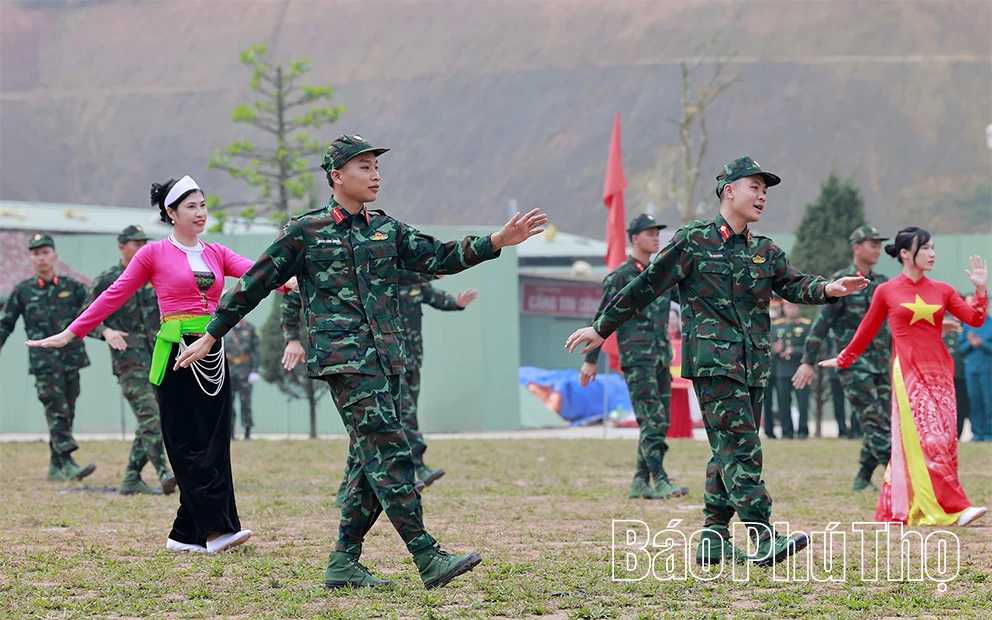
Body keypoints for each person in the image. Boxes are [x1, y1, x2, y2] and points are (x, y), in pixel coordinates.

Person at [175, 134, 546, 589]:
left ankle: (343, 562)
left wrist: (498, 240)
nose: (375, 175)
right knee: (392, 451)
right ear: (337, 176)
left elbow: (439, 256)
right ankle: (427, 556)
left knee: (365, 462)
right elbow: (253, 283)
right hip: (345, 359)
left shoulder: (386, 229)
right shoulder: (305, 231)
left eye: (376, 167)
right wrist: (213, 333)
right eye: (364, 167)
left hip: (386, 357)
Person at [565, 156, 869, 567]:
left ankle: (713, 537)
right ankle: (762, 535)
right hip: (714, 364)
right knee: (742, 449)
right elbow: (645, 286)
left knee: (726, 448)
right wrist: (601, 328)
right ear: (729, 190)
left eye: (765, 190)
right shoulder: (693, 240)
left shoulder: (764, 250)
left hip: (754, 365)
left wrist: (830, 287)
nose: (762, 196)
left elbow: (795, 283)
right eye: (754, 187)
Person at [26, 176, 295, 553]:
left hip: (212, 349)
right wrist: (72, 332)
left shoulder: (216, 252)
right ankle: (217, 532)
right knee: (185, 441)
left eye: (203, 205)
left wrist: (297, 280)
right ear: (171, 213)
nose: (200, 213)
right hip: (176, 353)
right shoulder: (152, 254)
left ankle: (185, 535)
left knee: (215, 441)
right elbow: (114, 295)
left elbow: (259, 275)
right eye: (191, 207)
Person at [818, 228, 987, 526]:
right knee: (930, 437)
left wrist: (981, 290)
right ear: (906, 254)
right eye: (926, 248)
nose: (933, 254)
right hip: (908, 373)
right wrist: (844, 358)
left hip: (941, 373)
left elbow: (974, 319)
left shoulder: (943, 289)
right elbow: (866, 330)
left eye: (934, 248)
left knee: (945, 439)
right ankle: (956, 507)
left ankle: (898, 505)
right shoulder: (887, 291)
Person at [579, 213, 687, 500]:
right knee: (651, 420)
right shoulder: (620, 278)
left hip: (662, 357)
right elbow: (601, 319)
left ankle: (640, 481)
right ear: (634, 238)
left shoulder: (660, 277)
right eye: (650, 233)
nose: (655, 237)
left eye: (657, 232)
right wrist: (590, 361)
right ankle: (659, 479)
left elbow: (688, 300)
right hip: (637, 359)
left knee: (660, 420)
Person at [794, 225, 891, 490]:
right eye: (872, 244)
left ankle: (862, 478)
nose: (877, 249)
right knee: (876, 422)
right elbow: (821, 325)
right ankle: (903, 480)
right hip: (854, 365)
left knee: (882, 421)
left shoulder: (882, 283)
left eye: (879, 244)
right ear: (856, 247)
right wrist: (807, 361)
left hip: (882, 363)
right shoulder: (841, 282)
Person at [83, 225, 176, 495]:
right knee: (150, 417)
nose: (142, 247)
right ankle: (164, 472)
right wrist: (106, 331)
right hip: (129, 361)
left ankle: (131, 477)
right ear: (122, 247)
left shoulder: (155, 275)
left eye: (145, 243)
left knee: (155, 418)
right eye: (136, 243)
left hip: (159, 356)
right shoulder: (108, 279)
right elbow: (85, 316)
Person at [0, 233, 97, 482]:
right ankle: (67, 462)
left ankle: (55, 466)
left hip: (71, 359)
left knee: (68, 409)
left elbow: (92, 311)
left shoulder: (72, 287)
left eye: (45, 253)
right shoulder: (23, 291)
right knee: (56, 409)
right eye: (35, 253)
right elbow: (5, 324)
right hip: (44, 363)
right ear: (30, 259)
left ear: (54, 256)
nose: (41, 258)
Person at [771, 301, 811, 439]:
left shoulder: (806, 325)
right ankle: (786, 432)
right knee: (783, 403)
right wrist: (775, 350)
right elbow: (769, 346)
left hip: (800, 370)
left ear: (798, 308)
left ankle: (802, 432)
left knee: (803, 403)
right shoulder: (776, 326)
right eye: (788, 306)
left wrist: (794, 350)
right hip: (782, 371)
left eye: (794, 307)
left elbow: (810, 347)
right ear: (783, 308)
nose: (791, 310)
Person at [960, 298, 991, 441]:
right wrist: (970, 343)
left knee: (989, 401)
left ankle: (989, 432)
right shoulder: (968, 325)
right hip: (971, 370)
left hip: (988, 370)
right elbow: (961, 348)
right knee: (974, 400)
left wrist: (982, 344)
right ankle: (977, 432)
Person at [224, 319, 260, 440]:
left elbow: (256, 351)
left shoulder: (250, 329)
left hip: (245, 371)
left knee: (246, 403)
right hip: (229, 371)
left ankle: (247, 432)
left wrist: (255, 371)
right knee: (229, 403)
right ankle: (230, 433)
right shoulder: (225, 328)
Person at [940, 306, 971, 439]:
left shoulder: (966, 327)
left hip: (960, 373)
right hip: (944, 373)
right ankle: (945, 433)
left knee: (961, 405)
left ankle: (957, 434)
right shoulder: (941, 326)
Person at [763, 299, 781, 439]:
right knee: (766, 402)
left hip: (781, 369)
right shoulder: (762, 325)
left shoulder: (783, 326)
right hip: (765, 369)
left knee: (783, 401)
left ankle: (787, 429)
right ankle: (769, 430)